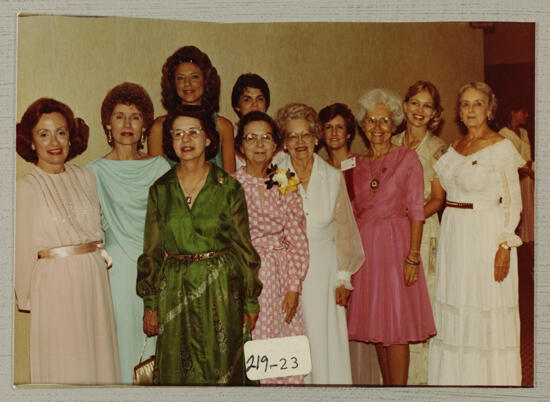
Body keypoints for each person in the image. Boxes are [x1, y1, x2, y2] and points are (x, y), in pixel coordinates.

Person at [137, 106, 262, 385]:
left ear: (208, 139)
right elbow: (152, 250)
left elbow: (244, 248)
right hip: (175, 290)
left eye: (194, 131)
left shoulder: (228, 187)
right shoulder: (160, 190)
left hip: (221, 290)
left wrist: (251, 298)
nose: (186, 139)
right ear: (170, 141)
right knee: (179, 372)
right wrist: (150, 303)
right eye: (178, 133)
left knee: (222, 366)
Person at [15, 98, 121, 384]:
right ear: (32, 141)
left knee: (98, 358)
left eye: (61, 132)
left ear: (71, 137)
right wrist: (27, 297)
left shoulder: (86, 176)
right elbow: (22, 250)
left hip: (93, 278)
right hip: (55, 286)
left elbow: (99, 229)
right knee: (67, 363)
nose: (54, 142)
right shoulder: (25, 188)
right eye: (44, 134)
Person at [428, 82, 524, 385]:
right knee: (457, 303)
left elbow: (513, 202)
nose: (471, 110)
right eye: (465, 104)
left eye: (478, 103)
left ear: (490, 109)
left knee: (484, 305)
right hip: (454, 235)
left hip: (486, 236)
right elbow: (436, 193)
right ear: (458, 111)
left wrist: (505, 245)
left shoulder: (502, 147)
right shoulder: (454, 148)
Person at [346, 88, 436, 386]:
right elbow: (350, 214)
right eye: (371, 120)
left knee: (396, 329)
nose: (378, 127)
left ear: (395, 123)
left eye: (384, 121)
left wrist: (413, 256)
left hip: (397, 250)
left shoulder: (407, 159)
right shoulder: (354, 165)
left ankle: (400, 391)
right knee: (378, 331)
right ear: (362, 125)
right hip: (366, 254)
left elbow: (417, 211)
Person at [87, 83, 171, 384]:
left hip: (157, 267)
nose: (126, 124)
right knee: (122, 346)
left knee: (158, 353)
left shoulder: (160, 167)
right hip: (117, 271)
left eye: (135, 117)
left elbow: (170, 227)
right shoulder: (93, 171)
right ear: (108, 123)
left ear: (145, 125)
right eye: (119, 116)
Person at [276, 103, 364, 384]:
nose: (300, 142)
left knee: (324, 337)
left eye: (306, 135)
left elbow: (345, 231)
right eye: (292, 136)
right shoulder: (276, 174)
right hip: (286, 267)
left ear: (316, 138)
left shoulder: (332, 176)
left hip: (325, 268)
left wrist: (343, 277)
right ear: (285, 143)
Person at [232, 111, 309, 384]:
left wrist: (293, 286)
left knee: (284, 353)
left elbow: (297, 234)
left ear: (276, 145)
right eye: (251, 138)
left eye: (266, 138)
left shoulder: (284, 179)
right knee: (254, 350)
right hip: (245, 275)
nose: (259, 144)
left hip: (280, 274)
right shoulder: (230, 184)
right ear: (240, 146)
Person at [318, 102, 380, 385]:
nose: (333, 133)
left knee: (357, 318)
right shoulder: (316, 167)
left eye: (339, 127)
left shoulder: (359, 165)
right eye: (328, 127)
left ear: (349, 133)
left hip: (353, 251)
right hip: (324, 253)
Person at [390, 81, 447, 385]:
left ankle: (423, 382)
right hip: (392, 236)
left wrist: (409, 216)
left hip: (424, 233)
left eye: (427, 106)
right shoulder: (392, 142)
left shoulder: (438, 150)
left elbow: (438, 199)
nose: (419, 111)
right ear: (405, 104)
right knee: (398, 304)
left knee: (423, 302)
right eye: (415, 103)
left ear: (435, 112)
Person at [147, 45, 236, 173]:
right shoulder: (159, 127)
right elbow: (157, 184)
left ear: (205, 81)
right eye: (180, 78)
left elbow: (230, 182)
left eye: (194, 77)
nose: (187, 83)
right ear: (173, 84)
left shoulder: (223, 127)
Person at [231, 73, 271, 169]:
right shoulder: (229, 136)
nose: (255, 105)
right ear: (237, 106)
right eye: (247, 100)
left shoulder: (275, 136)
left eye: (260, 99)